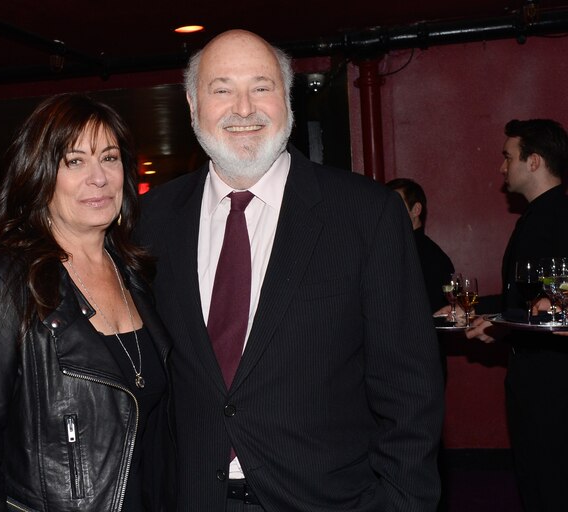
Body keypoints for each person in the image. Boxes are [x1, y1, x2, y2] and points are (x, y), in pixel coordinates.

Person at [136, 29, 444, 511]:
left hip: (328, 499)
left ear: (288, 101)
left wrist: (400, 501)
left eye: (261, 87)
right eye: (222, 89)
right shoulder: (152, 219)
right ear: (193, 106)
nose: (243, 108)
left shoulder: (366, 214)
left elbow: (410, 385)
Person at [0, 94, 174, 511]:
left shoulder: (136, 274)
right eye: (75, 161)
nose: (99, 178)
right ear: (39, 173)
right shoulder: (4, 280)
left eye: (109, 157)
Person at [466, 119, 568, 511]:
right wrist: (481, 312)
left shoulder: (556, 217)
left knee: (551, 480)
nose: (502, 167)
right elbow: (527, 299)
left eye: (508, 157)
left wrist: (500, 320)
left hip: (553, 380)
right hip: (535, 375)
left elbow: (552, 305)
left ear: (535, 161)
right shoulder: (539, 215)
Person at [386, 178, 455, 312]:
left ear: (416, 209)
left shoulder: (430, 256)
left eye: (395, 205)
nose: (387, 212)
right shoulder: (395, 248)